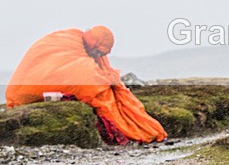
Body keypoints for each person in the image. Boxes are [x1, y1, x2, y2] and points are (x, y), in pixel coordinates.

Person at [6, 26, 168, 144]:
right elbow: (83, 78)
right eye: (99, 52)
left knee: (107, 89)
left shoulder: (79, 43)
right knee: (101, 91)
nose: (100, 56)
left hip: (19, 93)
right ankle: (134, 129)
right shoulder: (67, 44)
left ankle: (142, 127)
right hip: (22, 96)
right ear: (94, 44)